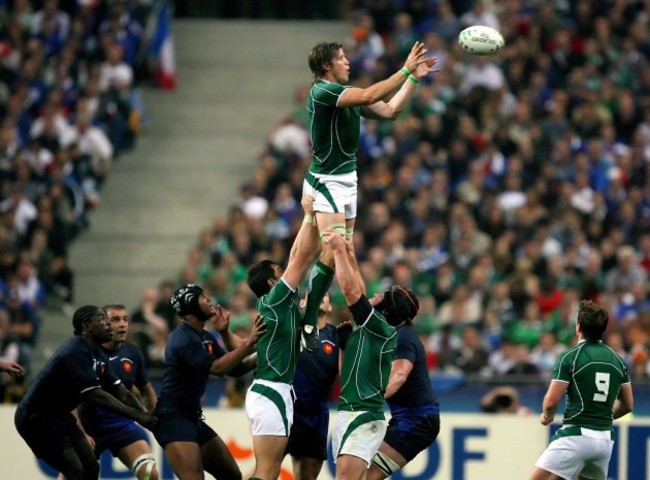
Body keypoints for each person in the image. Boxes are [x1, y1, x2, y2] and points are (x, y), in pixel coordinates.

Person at [303, 40, 437, 244]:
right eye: (340, 58)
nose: (347, 62)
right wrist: (404, 70)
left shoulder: (347, 95)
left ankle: (286, 278)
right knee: (334, 251)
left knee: (330, 252)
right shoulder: (322, 92)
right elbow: (369, 95)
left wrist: (413, 78)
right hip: (326, 179)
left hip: (346, 179)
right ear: (326, 66)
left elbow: (390, 111)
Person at [14, 306, 157, 480]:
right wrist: (138, 416)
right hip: (36, 418)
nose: (109, 325)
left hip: (60, 416)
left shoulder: (95, 354)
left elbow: (122, 392)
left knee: (90, 468)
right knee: (74, 470)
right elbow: (95, 395)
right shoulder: (75, 351)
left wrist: (145, 415)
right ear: (87, 326)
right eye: (103, 320)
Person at [245, 195, 331, 480]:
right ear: (273, 282)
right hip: (272, 390)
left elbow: (299, 255)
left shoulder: (279, 303)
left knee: (266, 472)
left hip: (273, 391)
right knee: (267, 473)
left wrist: (313, 221)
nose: (286, 272)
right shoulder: (275, 298)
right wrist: (308, 215)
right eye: (280, 273)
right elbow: (304, 257)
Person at [322, 228, 417, 479]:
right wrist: (351, 253)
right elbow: (347, 376)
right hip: (351, 409)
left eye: (382, 296)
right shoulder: (373, 329)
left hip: (363, 414)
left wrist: (339, 250)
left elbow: (353, 292)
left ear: (386, 309)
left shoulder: (379, 328)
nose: (375, 295)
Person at [152, 283, 265, 480]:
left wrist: (265, 352)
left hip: (191, 416)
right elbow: (218, 368)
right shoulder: (183, 338)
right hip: (173, 419)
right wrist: (249, 342)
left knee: (232, 475)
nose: (210, 301)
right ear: (191, 305)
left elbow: (236, 369)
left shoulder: (203, 336)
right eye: (204, 297)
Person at [530, 300, 634, 480]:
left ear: (578, 327)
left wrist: (547, 416)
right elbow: (628, 405)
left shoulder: (571, 357)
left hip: (577, 434)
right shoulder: (617, 360)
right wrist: (602, 418)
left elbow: (551, 401)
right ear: (603, 329)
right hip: (604, 440)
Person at [75, 304, 160, 480]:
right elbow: (69, 401)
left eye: (125, 320)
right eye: (115, 320)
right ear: (103, 324)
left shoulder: (133, 353)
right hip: (88, 426)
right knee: (74, 475)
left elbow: (146, 390)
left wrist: (154, 418)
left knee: (150, 474)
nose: (122, 325)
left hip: (121, 425)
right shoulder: (85, 353)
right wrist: (81, 433)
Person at [366, 288, 441, 480]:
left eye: (382, 297)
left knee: (366, 475)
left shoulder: (403, 338)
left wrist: (370, 400)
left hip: (417, 420)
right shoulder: (395, 334)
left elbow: (399, 376)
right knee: (359, 469)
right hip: (409, 418)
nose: (376, 297)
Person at [286, 291, 342, 480]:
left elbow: (346, 375)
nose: (320, 295)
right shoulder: (292, 329)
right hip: (288, 411)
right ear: (302, 303)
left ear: (330, 307)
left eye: (326, 294)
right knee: (266, 469)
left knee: (306, 477)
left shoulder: (337, 335)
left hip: (317, 415)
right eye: (316, 293)